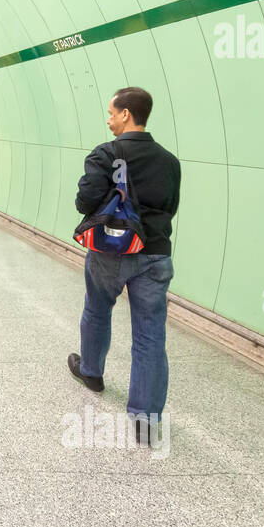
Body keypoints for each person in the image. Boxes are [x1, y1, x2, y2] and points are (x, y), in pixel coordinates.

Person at [67, 87, 181, 445]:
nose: (109, 119)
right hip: (155, 253)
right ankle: (146, 421)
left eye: (112, 113)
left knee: (98, 310)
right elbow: (170, 207)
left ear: (127, 114)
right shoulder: (169, 161)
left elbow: (83, 200)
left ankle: (92, 372)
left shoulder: (106, 153)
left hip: (111, 250)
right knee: (150, 334)